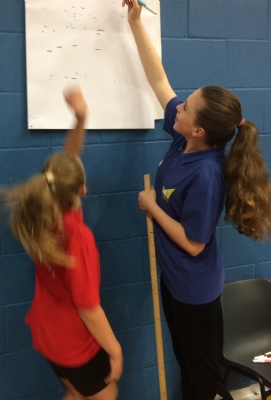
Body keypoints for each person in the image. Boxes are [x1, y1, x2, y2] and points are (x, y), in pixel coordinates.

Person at [121, 1, 271, 399]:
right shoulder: (183, 137)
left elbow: (193, 243)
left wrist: (152, 206)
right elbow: (159, 80)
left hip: (194, 289)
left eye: (186, 106)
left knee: (202, 377)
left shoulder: (206, 175)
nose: (179, 106)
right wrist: (136, 23)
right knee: (188, 364)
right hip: (176, 280)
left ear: (199, 129)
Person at [0, 87, 123, 400]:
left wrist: (80, 118)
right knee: (106, 395)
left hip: (47, 332)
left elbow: (68, 161)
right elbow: (88, 307)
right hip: (73, 342)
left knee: (76, 394)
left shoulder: (43, 213)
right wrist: (114, 350)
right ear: (82, 191)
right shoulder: (78, 236)